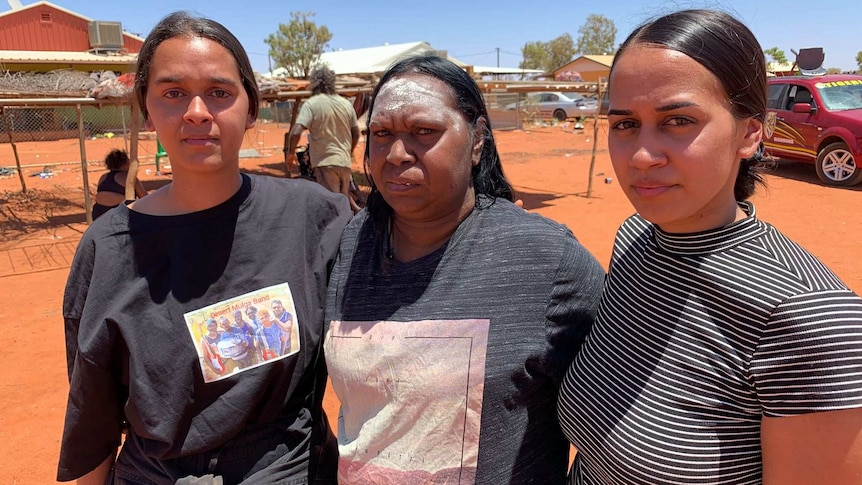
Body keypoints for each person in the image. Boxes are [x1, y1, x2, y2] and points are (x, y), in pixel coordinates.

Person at [557, 9, 862, 484]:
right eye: (624, 124)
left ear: (750, 132)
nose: (641, 156)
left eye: (677, 120)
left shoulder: (806, 318)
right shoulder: (637, 241)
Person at [58, 11, 351, 484]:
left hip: (286, 468)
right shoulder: (108, 247)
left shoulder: (313, 217)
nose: (197, 111)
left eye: (219, 92)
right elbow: (92, 412)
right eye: (173, 93)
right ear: (148, 110)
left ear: (250, 107)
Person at [323, 55, 605, 484]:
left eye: (424, 132)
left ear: (477, 141)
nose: (397, 154)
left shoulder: (544, 259)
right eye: (381, 134)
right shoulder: (350, 245)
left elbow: (618, 423)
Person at [284, 65, 362, 213]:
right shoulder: (345, 104)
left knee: (332, 206)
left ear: (315, 83)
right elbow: (356, 133)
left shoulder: (313, 104)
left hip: (325, 161)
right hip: (344, 162)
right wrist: (348, 151)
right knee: (343, 201)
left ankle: (339, 233)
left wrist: (290, 154)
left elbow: (295, 132)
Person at [92, 148, 147, 219]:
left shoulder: (103, 177)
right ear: (123, 164)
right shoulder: (130, 178)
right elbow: (144, 198)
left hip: (99, 215)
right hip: (120, 216)